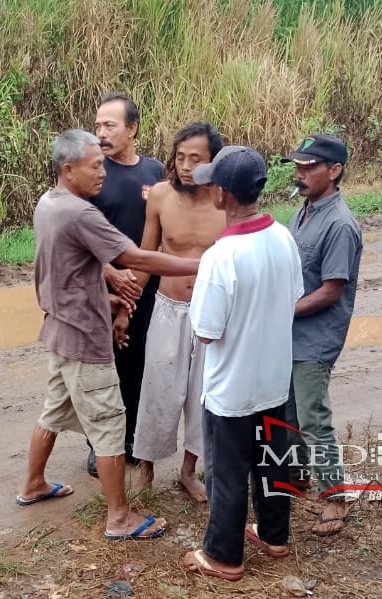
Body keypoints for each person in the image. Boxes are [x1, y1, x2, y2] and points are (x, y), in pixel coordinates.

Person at [17, 129, 201, 540]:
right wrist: (202, 264)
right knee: (109, 424)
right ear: (69, 169)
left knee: (53, 410)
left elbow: (73, 264)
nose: (103, 173)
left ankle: (33, 484)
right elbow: (136, 256)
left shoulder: (49, 203)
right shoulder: (80, 213)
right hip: (84, 336)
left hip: (60, 330)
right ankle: (120, 517)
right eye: (96, 166)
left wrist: (108, 290)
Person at [182, 146, 304, 581]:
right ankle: (274, 535)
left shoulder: (221, 256)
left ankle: (223, 555)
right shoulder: (283, 237)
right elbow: (293, 298)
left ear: (222, 193)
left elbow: (206, 331)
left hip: (232, 387)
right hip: (273, 378)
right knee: (272, 459)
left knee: (228, 472)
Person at [131, 121, 227, 502]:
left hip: (211, 312)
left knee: (202, 392)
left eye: (196, 159)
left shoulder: (226, 202)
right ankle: (146, 468)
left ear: (213, 162)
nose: (186, 166)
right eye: (180, 157)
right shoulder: (159, 196)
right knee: (157, 388)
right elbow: (145, 257)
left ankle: (189, 470)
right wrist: (127, 304)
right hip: (167, 309)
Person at [281, 133, 363, 536]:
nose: (300, 174)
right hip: (292, 334)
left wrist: (280, 313)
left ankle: (335, 498)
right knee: (290, 412)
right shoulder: (305, 211)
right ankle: (297, 475)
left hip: (315, 338)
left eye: (309, 167)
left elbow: (331, 290)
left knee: (313, 417)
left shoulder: (339, 224)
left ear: (334, 171)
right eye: (298, 166)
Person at [87, 91, 166, 475]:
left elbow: (164, 225)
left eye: (109, 125)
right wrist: (112, 275)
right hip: (102, 289)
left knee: (138, 365)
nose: (101, 133)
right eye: (97, 126)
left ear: (132, 129)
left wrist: (143, 279)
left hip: (146, 289)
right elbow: (80, 237)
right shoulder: (92, 172)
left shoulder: (154, 171)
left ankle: (132, 437)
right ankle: (98, 445)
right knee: (103, 369)